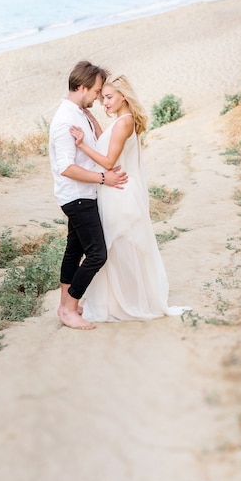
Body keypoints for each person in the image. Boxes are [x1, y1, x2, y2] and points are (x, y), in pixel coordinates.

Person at [70, 75, 191, 321]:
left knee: (120, 246)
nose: (104, 102)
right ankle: (123, 299)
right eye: (102, 98)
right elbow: (109, 143)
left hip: (119, 192)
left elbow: (108, 161)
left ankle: (129, 301)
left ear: (123, 96)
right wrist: (92, 119)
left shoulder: (124, 122)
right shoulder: (122, 121)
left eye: (109, 97)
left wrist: (81, 144)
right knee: (118, 248)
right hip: (116, 191)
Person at [49, 61, 128, 330]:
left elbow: (95, 143)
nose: (98, 96)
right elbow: (66, 168)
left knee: (74, 250)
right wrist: (104, 178)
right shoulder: (65, 120)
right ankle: (69, 308)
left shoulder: (78, 112)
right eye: (95, 91)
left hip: (84, 194)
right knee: (97, 254)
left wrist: (91, 115)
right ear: (81, 87)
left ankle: (64, 305)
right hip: (77, 196)